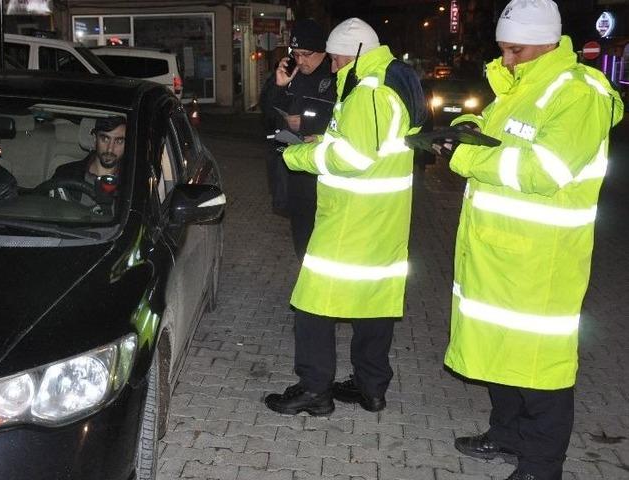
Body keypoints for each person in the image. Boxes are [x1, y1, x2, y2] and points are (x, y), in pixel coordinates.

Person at [441, 2, 623, 479]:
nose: (506, 59)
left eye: (514, 50)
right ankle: (505, 435)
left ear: (547, 42)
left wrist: (464, 158)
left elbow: (545, 170)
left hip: (542, 261)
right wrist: (464, 132)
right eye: (503, 49)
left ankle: (541, 467)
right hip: (498, 253)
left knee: (542, 369)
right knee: (501, 351)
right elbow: (497, 139)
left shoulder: (578, 93)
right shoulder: (521, 86)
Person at [263, 18, 426, 416]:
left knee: (312, 303)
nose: (333, 67)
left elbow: (351, 157)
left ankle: (315, 390)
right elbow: (368, 143)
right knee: (374, 304)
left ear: (355, 54)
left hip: (351, 218)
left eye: (336, 60)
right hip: (383, 217)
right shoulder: (391, 84)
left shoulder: (368, 92)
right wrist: (326, 138)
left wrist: (299, 155)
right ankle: (371, 388)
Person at [259, 19, 336, 259]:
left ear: (323, 51)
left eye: (306, 54)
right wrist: (279, 86)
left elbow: (342, 121)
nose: (300, 61)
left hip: (321, 176)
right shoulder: (291, 74)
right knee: (302, 240)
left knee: (324, 243)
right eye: (296, 54)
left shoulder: (335, 77)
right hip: (291, 172)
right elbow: (267, 112)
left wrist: (304, 124)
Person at [46, 116, 126, 205]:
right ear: (95, 139)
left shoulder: (131, 183)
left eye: (119, 141)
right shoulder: (65, 173)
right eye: (105, 139)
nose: (110, 149)